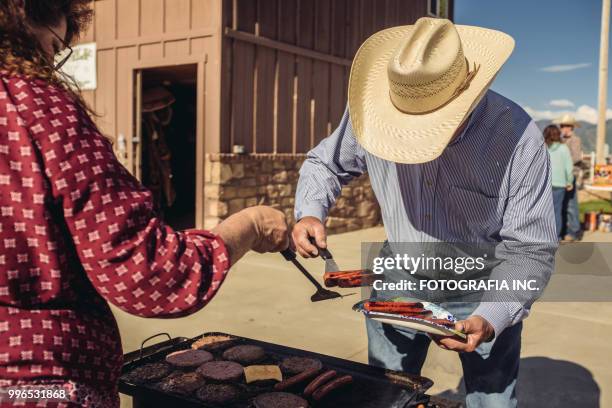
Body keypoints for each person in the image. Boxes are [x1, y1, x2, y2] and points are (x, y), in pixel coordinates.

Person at [0, 1, 289, 406]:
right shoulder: (34, 107)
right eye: (53, 47)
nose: (50, 64)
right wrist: (251, 224)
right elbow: (150, 275)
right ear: (29, 15)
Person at [293, 17, 556, 407]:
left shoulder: (518, 137)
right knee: (384, 392)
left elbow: (530, 249)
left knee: (492, 400)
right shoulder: (370, 111)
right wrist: (310, 212)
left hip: (483, 283)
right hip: (397, 273)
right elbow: (326, 164)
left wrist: (492, 315)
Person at [555, 114, 583, 241]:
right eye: (562, 126)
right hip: (560, 176)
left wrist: (563, 163)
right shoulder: (559, 140)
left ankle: (575, 231)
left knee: (571, 204)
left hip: (571, 175)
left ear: (572, 128)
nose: (564, 129)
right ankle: (565, 230)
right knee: (563, 204)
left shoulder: (575, 140)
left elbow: (576, 157)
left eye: (567, 126)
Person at [544, 125, 574, 238]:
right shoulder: (563, 148)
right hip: (560, 185)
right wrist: (569, 181)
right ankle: (556, 237)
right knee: (557, 211)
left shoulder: (543, 147)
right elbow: (569, 167)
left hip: (545, 184)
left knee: (544, 212)